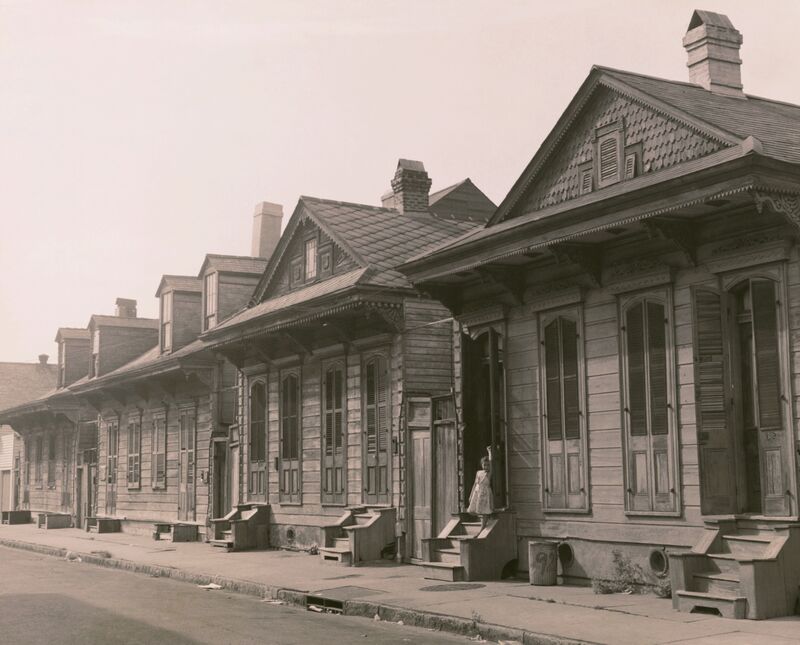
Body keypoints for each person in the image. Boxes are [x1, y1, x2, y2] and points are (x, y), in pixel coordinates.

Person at [467, 446, 493, 530]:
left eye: (487, 465)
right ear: (481, 465)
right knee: (477, 509)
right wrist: (471, 495)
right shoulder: (479, 472)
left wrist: (489, 452)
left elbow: (491, 461)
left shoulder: (488, 473)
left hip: (485, 493)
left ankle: (483, 526)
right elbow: (475, 484)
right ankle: (483, 522)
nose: (486, 467)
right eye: (484, 465)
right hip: (477, 492)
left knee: (484, 510)